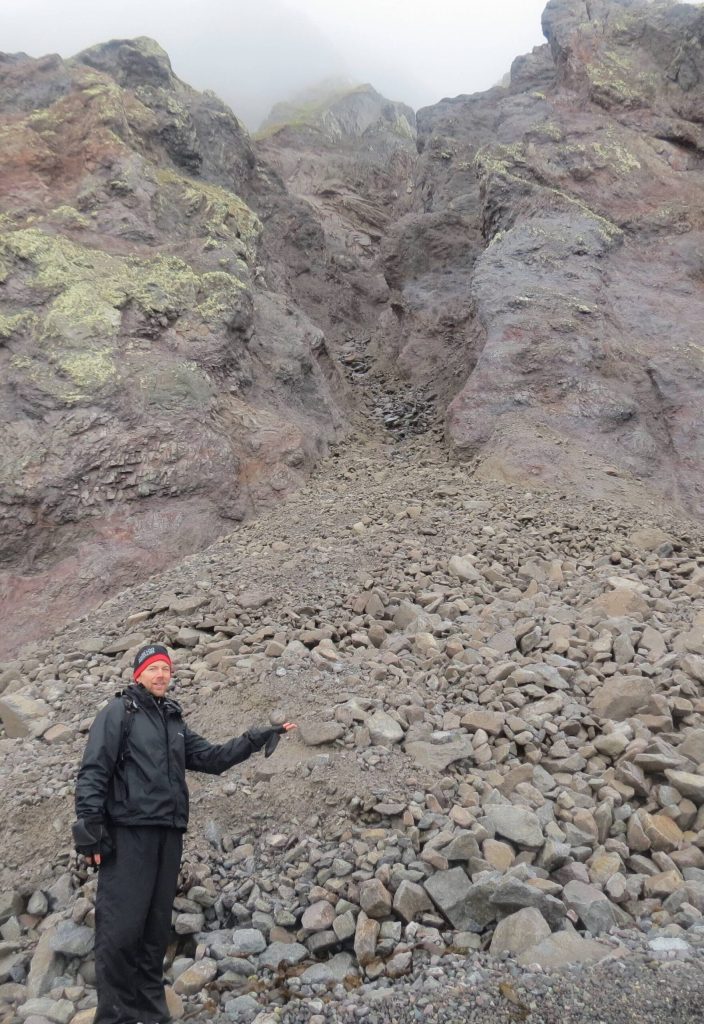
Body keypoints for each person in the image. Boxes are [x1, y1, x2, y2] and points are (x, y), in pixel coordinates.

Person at [71, 642, 296, 1024]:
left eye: (166, 669)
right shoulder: (118, 713)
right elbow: (93, 771)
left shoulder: (172, 720)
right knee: (121, 930)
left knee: (154, 929)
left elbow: (212, 759)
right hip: (129, 834)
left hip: (167, 835)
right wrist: (89, 830)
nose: (161, 675)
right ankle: (115, 1017)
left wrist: (255, 739)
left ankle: (152, 1014)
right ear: (138, 673)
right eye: (154, 669)